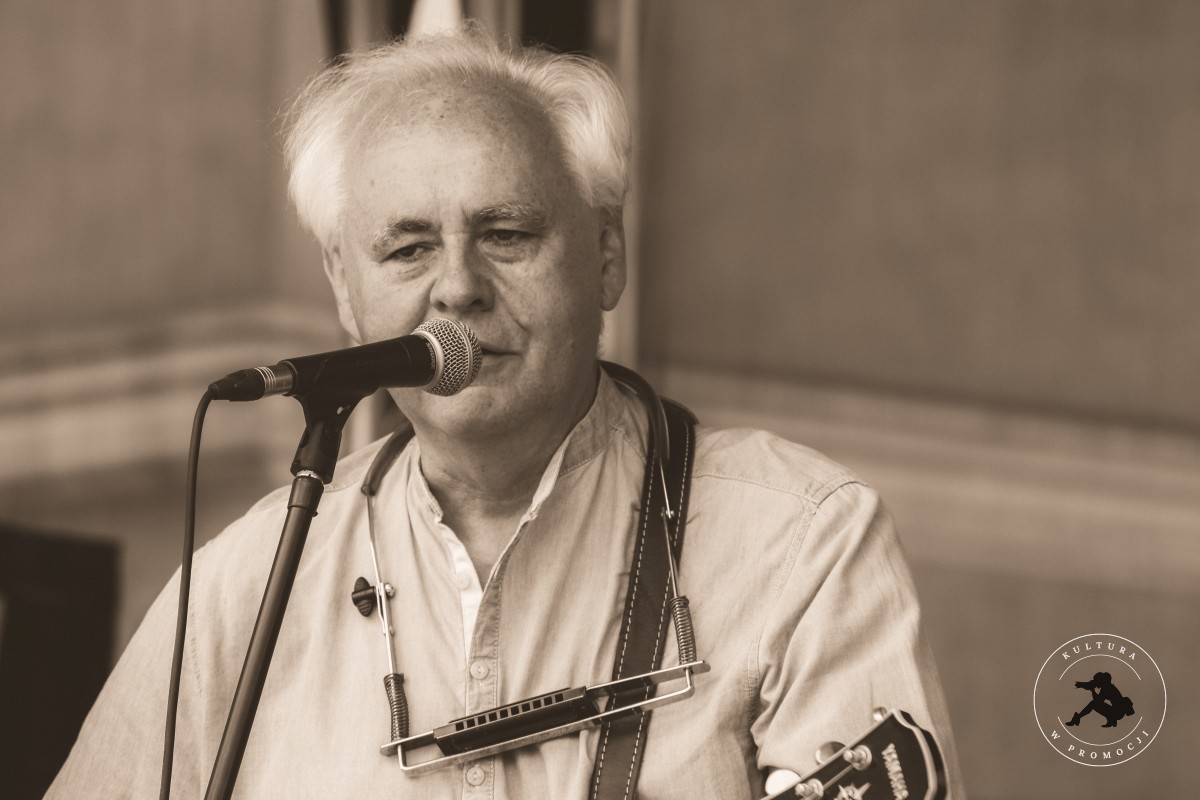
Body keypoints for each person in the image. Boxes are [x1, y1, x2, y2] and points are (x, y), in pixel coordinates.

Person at [49, 27, 964, 799]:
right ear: (344, 289)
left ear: (606, 256)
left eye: (507, 234)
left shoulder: (803, 546)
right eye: (407, 249)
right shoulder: (237, 590)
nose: (457, 287)